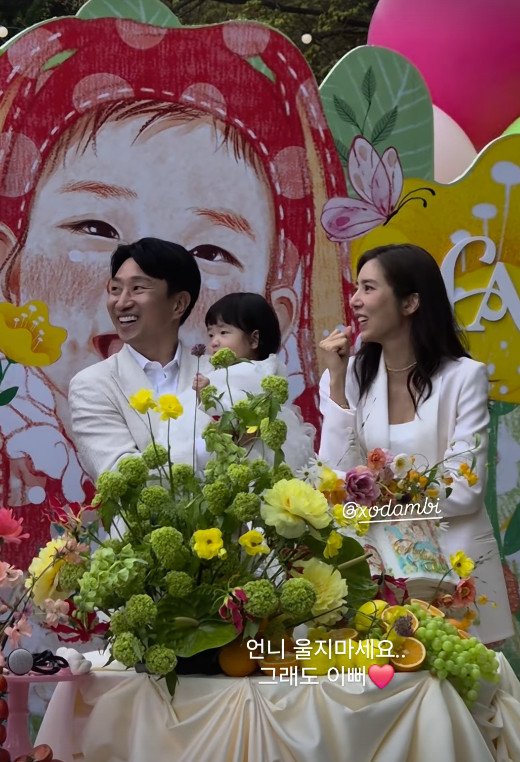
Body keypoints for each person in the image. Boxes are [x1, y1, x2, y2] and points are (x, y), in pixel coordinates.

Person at [0, 16, 350, 561]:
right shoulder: (95, 387)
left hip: (244, 575)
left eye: (212, 251)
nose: (122, 302)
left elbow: (290, 472)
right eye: (94, 227)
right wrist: (230, 442)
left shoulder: (241, 380)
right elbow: (129, 479)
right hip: (141, 576)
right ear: (13, 268)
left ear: (183, 301)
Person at [318, 243, 513, 644]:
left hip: (456, 571)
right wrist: (336, 384)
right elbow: (334, 479)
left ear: (410, 303)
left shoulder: (464, 378)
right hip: (378, 570)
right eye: (356, 288)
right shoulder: (348, 376)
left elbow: (465, 490)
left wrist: (376, 496)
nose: (355, 300)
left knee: (462, 679)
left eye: (369, 288)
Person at [68, 237, 212, 480]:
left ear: (179, 304)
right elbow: (123, 477)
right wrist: (209, 452)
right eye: (115, 289)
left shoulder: (221, 374)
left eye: (138, 288)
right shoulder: (92, 385)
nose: (121, 303)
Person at [192, 292, 315, 471]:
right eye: (211, 334)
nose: (214, 342)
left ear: (254, 339)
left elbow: (235, 409)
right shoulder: (226, 372)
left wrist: (207, 395)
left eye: (223, 332)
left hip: (255, 455)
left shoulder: (254, 372)